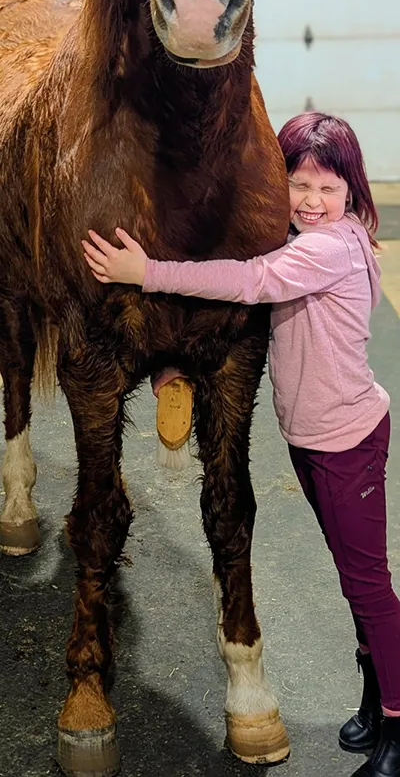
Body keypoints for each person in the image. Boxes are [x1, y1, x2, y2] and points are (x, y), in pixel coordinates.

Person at [82, 111, 400, 777]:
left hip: (346, 441)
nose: (311, 202)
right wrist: (176, 357)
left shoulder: (328, 249)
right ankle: (377, 702)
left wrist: (147, 271)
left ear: (352, 191)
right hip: (315, 439)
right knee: (354, 580)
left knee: (369, 586)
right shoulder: (308, 238)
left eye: (329, 188)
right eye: (299, 185)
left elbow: (251, 281)